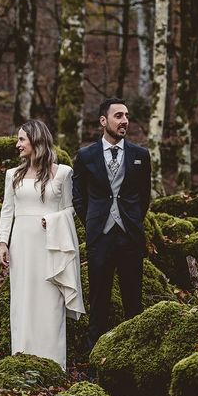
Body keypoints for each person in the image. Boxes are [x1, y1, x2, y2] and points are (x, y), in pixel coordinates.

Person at [0, 119, 85, 370]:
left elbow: (71, 209)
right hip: (21, 245)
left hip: (51, 245)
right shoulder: (12, 175)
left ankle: (53, 364)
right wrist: (3, 242)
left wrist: (54, 219)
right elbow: (7, 210)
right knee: (23, 300)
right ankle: (21, 358)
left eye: (22, 139)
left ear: (36, 140)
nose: (17, 144)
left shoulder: (64, 173)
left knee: (49, 301)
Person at [72, 98, 151, 351]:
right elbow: (78, 197)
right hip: (100, 237)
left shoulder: (141, 155)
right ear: (103, 121)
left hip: (130, 236)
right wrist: (93, 223)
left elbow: (144, 196)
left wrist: (133, 220)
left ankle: (135, 355)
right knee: (99, 301)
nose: (125, 120)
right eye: (118, 115)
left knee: (133, 302)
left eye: (126, 115)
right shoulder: (86, 155)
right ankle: (94, 357)